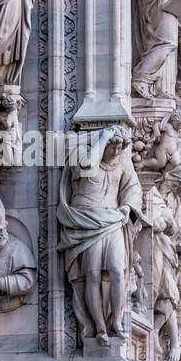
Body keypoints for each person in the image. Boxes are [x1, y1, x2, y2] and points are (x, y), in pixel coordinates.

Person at [56, 125, 142, 346]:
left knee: (118, 271)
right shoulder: (83, 155)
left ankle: (117, 321)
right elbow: (87, 165)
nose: (115, 151)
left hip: (113, 221)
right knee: (92, 275)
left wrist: (127, 207)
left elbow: (133, 187)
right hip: (88, 223)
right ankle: (100, 327)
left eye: (120, 147)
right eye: (111, 146)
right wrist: (102, 138)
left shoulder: (123, 161)